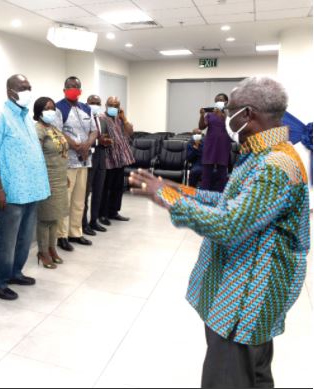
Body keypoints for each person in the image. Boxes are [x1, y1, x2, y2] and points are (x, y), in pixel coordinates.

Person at [129, 76, 309, 388]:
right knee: (255, 374)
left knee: (228, 378)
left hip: (247, 294)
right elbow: (231, 203)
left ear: (248, 115)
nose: (226, 118)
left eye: (231, 111)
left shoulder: (275, 164)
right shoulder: (261, 153)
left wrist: (166, 197)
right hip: (247, 290)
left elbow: (229, 225)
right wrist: (181, 190)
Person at [0, 74, 50, 301]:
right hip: (10, 192)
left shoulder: (25, 117)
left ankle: (14, 273)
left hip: (31, 189)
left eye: (30, 86)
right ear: (11, 91)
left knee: (24, 237)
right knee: (6, 240)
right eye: (23, 87)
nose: (28, 91)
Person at [56, 77, 98, 252]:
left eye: (77, 87)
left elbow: (94, 130)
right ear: (64, 89)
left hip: (85, 160)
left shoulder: (86, 108)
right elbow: (57, 131)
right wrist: (75, 145)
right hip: (68, 161)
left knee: (80, 199)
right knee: (65, 199)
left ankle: (75, 232)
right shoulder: (59, 108)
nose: (74, 89)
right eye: (71, 86)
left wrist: (87, 144)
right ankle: (62, 235)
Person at [33, 97, 69, 270]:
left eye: (53, 108)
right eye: (48, 108)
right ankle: (42, 252)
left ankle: (52, 248)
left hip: (60, 177)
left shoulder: (53, 128)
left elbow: (62, 152)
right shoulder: (38, 129)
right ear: (39, 111)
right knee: (45, 218)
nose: (51, 111)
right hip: (46, 178)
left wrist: (65, 175)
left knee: (56, 217)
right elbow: (36, 156)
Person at [99, 97, 134, 225]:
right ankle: (102, 214)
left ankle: (114, 211)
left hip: (120, 158)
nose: (114, 107)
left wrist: (124, 119)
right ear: (106, 105)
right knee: (106, 187)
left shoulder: (120, 119)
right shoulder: (101, 118)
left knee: (118, 187)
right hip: (108, 157)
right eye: (111, 105)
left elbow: (130, 132)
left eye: (116, 105)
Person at [82, 94, 112, 235]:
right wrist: (97, 141)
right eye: (92, 102)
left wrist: (106, 141)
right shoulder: (83, 119)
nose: (95, 104)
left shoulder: (103, 120)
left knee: (98, 192)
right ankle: (83, 223)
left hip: (101, 158)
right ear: (87, 103)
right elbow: (84, 139)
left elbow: (105, 137)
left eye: (97, 102)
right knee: (85, 193)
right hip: (88, 159)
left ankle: (94, 220)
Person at [199, 93, 232, 192]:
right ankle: (204, 196)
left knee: (222, 175)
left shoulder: (230, 114)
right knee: (206, 174)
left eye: (221, 100)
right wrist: (201, 116)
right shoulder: (210, 114)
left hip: (223, 147)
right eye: (217, 100)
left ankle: (220, 197)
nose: (219, 102)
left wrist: (222, 115)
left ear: (226, 102)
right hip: (210, 146)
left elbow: (232, 127)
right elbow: (201, 127)